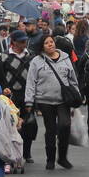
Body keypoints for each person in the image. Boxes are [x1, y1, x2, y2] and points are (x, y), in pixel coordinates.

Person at [24, 34, 80, 170]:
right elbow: (31, 82)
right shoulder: (36, 61)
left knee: (65, 125)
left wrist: (76, 95)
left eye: (52, 42)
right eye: (46, 43)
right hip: (45, 101)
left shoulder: (66, 58)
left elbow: (73, 79)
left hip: (63, 101)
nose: (50, 44)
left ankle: (62, 157)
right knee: (50, 130)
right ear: (41, 46)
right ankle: (50, 159)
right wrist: (29, 101)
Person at [0, 30, 35, 169]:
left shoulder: (31, 56)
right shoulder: (4, 57)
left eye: (25, 41)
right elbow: (0, 75)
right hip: (10, 96)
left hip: (27, 94)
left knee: (29, 124)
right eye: (22, 41)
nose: (24, 43)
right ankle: (13, 153)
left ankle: (26, 152)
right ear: (14, 42)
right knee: (12, 125)